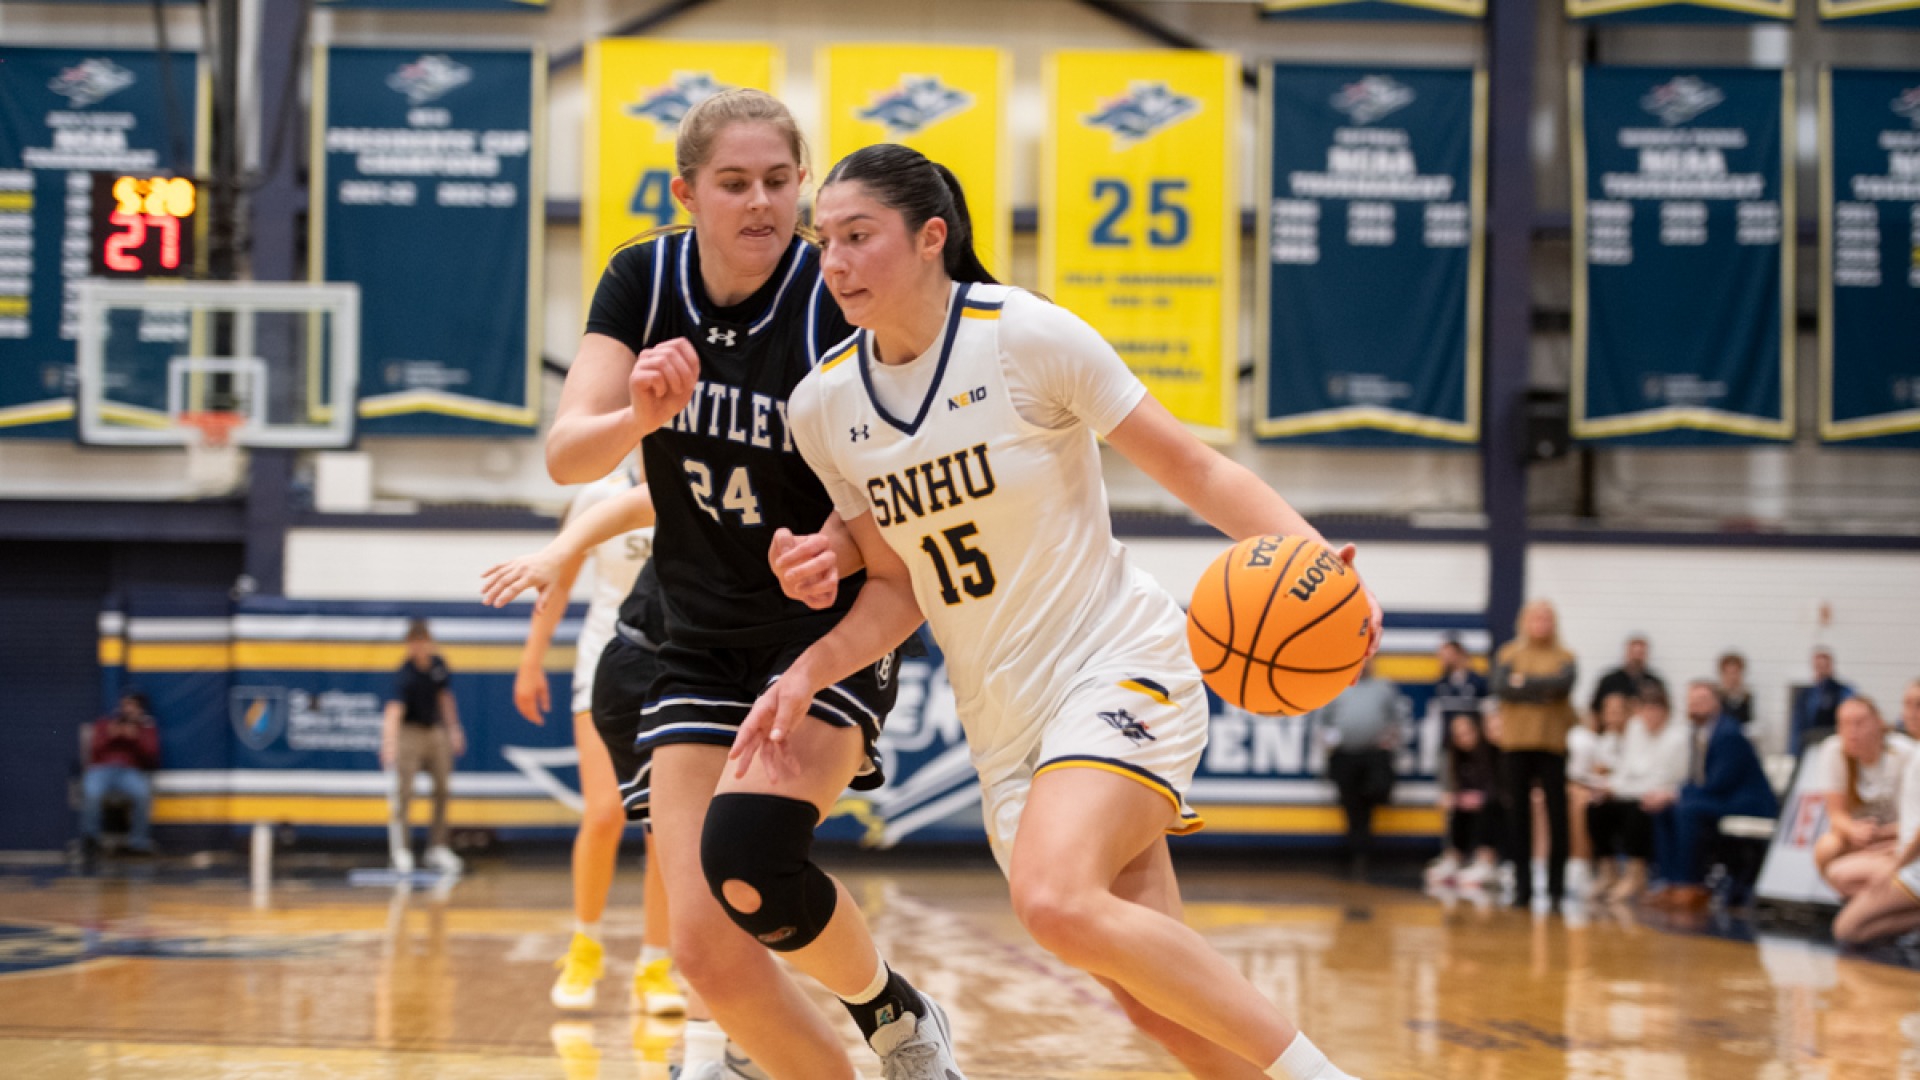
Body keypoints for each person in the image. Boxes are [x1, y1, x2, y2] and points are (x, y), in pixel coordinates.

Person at [741, 142, 1376, 1080]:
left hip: (1115, 660)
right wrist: (809, 652)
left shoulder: (1026, 337)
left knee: (1053, 898)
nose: (831, 261)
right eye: (821, 239)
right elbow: (900, 588)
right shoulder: (823, 406)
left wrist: (1317, 561)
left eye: (857, 236)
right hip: (1005, 728)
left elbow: (1196, 466)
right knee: (1168, 1015)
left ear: (930, 238)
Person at [545, 91, 957, 1080]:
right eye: (734, 183)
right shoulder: (642, 281)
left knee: (754, 855)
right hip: (695, 638)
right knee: (707, 956)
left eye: (781, 180)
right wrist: (639, 416)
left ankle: (893, 1014)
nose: (762, 201)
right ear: (687, 192)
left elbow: (911, 465)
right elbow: (568, 455)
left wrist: (837, 544)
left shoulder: (834, 296)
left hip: (826, 628)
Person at [487, 465, 685, 1016]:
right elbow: (560, 577)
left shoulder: (694, 477)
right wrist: (531, 661)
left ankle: (654, 966)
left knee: (663, 830)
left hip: (679, 671)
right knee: (603, 813)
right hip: (606, 665)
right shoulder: (599, 496)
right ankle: (584, 945)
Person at [1649, 681, 1780, 911]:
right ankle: (1670, 882)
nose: (1696, 706)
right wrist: (1670, 794)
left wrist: (1676, 794)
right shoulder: (1696, 734)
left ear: (1716, 703)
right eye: (1692, 702)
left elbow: (1719, 783)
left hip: (1748, 802)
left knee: (1686, 809)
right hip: (1723, 798)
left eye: (1702, 701)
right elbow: (1697, 779)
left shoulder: (1728, 732)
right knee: (1665, 808)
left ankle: (1691, 884)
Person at [1490, 599, 1578, 910]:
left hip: (1553, 745)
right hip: (1516, 744)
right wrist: (1543, 690)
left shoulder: (1565, 656)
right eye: (1536, 617)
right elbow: (1502, 687)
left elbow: (1563, 685)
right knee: (1518, 817)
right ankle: (1522, 887)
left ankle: (1557, 887)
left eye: (1547, 618)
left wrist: (1524, 683)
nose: (1542, 623)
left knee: (1558, 817)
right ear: (1525, 621)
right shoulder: (1509, 654)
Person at [1585, 686, 1689, 902]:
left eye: (1656, 710)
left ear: (1666, 712)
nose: (1650, 715)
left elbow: (1665, 780)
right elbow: (1625, 769)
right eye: (1647, 709)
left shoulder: (1677, 738)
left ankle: (1635, 875)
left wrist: (1619, 789)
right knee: (1595, 807)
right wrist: (1607, 786)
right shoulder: (1635, 729)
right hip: (1629, 790)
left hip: (1659, 795)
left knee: (1638, 811)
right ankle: (1608, 872)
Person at [382, 619, 465, 875]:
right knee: (404, 791)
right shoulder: (404, 673)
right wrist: (389, 743)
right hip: (410, 733)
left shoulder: (439, 666)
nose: (420, 647)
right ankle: (402, 849)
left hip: (436, 731)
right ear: (409, 646)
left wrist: (454, 729)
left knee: (442, 788)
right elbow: (394, 710)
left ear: (430, 642)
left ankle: (437, 847)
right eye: (414, 643)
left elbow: (445, 697)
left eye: (423, 641)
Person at [1834, 703, 1920, 946]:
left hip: (1914, 865)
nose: (1911, 712)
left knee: (1847, 929)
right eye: (1908, 705)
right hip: (1907, 852)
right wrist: (1888, 837)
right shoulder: (1914, 752)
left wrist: (1897, 867)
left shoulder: (1903, 753)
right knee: (1840, 873)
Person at [1813, 698, 1914, 900]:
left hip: (1899, 838)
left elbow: (1914, 821)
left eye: (1859, 723)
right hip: (1862, 838)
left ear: (1879, 723)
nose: (1852, 732)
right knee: (1827, 848)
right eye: (1844, 724)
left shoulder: (1906, 753)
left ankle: (1885, 905)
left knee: (1849, 921)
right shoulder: (1834, 751)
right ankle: (1866, 903)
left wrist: (1883, 834)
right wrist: (1854, 830)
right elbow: (1836, 813)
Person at [1319, 659, 1408, 879]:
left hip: (1374, 754)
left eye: (1367, 662)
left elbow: (1397, 718)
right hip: (1345, 755)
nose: (1364, 666)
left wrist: (1391, 738)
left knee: (1376, 793)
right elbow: (1323, 721)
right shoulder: (1338, 687)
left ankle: (1365, 846)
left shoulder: (1383, 687)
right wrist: (1331, 739)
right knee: (1351, 804)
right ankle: (1358, 853)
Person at [1429, 712, 1504, 891]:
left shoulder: (1493, 751)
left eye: (1467, 732)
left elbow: (1500, 788)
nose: (1464, 739)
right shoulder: (1455, 757)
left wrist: (1481, 798)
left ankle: (1486, 861)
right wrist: (1455, 797)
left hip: (1494, 804)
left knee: (1488, 809)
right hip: (1469, 806)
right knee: (1457, 810)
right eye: (1458, 735)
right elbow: (1454, 788)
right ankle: (1454, 859)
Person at [80, 689, 161, 855]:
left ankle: (138, 844)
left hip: (129, 771)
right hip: (101, 769)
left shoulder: (146, 727)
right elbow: (94, 751)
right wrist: (112, 735)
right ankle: (90, 841)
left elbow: (152, 756)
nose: (128, 709)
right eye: (125, 705)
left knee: (142, 794)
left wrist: (136, 739)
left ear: (140, 709)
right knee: (92, 792)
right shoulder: (105, 722)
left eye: (133, 706)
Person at [1791, 646, 1854, 755]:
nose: (1822, 669)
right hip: (1812, 743)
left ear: (1831, 666)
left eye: (1825, 666)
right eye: (1818, 666)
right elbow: (1797, 725)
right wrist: (1793, 752)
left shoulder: (1842, 691)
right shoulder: (1806, 695)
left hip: (1835, 741)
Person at [1588, 633, 1665, 718]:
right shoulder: (1609, 681)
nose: (1636, 657)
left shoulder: (1654, 683)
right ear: (1627, 653)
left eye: (1640, 653)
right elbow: (1595, 709)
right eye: (1634, 653)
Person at [1431, 636, 1489, 727]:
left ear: (1458, 654)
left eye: (1447, 654)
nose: (1442, 658)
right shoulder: (1441, 684)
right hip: (1448, 736)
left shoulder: (1478, 683)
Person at [1716, 652, 1753, 727]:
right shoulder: (1715, 698)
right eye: (1728, 673)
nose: (1732, 677)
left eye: (1735, 672)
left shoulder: (1747, 697)